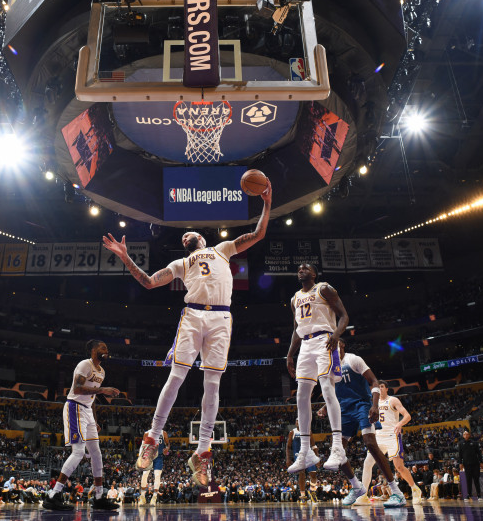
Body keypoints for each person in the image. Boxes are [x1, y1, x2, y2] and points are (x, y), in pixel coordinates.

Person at [103, 180, 272, 486]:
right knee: (176, 377)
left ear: (202, 238)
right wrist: (126, 257)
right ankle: (152, 438)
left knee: (212, 384)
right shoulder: (181, 263)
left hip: (222, 317)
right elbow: (149, 282)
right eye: (183, 236)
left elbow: (258, 234)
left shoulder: (222, 250)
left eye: (189, 233)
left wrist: (267, 203)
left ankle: (203, 452)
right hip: (193, 314)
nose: (186, 236)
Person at [320, 340, 406, 508]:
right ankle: (356, 486)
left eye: (335, 342)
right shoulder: (329, 366)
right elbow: (333, 391)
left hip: (362, 405)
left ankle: (397, 492)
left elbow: (374, 382)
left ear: (343, 344)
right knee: (337, 450)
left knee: (370, 444)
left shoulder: (354, 360)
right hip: (343, 409)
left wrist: (374, 405)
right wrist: (324, 406)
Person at [285, 263, 348, 477]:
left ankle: (338, 447)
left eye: (305, 268)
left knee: (327, 389)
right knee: (302, 396)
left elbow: (344, 316)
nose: (300, 270)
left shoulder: (324, 289)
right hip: (305, 344)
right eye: (299, 268)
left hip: (324, 340)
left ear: (314, 273)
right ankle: (305, 451)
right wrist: (290, 354)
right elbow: (296, 330)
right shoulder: (294, 298)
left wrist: (336, 336)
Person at [43, 339, 121, 511]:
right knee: (78, 452)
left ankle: (99, 497)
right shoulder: (85, 365)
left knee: (96, 453)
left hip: (87, 412)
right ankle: (53, 495)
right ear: (93, 350)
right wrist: (103, 390)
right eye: (102, 347)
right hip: (74, 407)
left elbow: (91, 399)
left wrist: (94, 419)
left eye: (107, 348)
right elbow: (78, 389)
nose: (106, 350)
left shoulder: (102, 372)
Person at [359, 381, 423, 504]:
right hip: (378, 437)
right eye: (377, 387)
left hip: (392, 435)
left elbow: (407, 416)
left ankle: (415, 489)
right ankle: (363, 495)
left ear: (387, 389)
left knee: (399, 467)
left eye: (382, 387)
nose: (379, 389)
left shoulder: (393, 400)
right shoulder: (373, 403)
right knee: (367, 463)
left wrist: (399, 423)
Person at [285, 419, 321, 503]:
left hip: (308, 454)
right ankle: (302, 496)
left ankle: (312, 490)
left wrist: (317, 457)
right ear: (295, 423)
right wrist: (288, 458)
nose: (298, 422)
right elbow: (288, 447)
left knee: (313, 474)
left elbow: (314, 445)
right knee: (301, 474)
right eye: (297, 421)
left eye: (300, 421)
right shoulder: (292, 432)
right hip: (298, 455)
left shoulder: (308, 431)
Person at [139, 430, 170, 505]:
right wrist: (140, 456)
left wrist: (167, 449)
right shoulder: (147, 433)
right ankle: (142, 497)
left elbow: (168, 444)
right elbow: (142, 446)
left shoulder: (163, 433)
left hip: (158, 457)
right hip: (148, 456)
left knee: (157, 475)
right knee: (145, 474)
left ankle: (154, 497)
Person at [458, 429, 482, 501]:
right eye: (464, 434)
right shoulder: (460, 443)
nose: (466, 435)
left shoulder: (474, 443)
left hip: (475, 464)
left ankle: (479, 495)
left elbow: (479, 453)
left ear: (469, 435)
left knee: (476, 479)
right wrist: (460, 463)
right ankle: (469, 494)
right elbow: (460, 455)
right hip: (466, 464)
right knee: (468, 480)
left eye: (467, 434)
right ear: (463, 436)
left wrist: (481, 462)